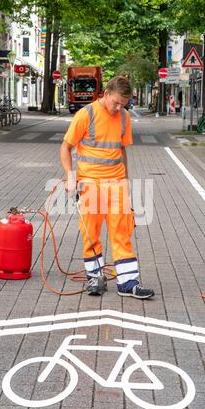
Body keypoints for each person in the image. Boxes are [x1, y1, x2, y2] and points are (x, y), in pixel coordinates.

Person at [60, 75, 155, 299]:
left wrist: (126, 181)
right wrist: (70, 176)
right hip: (91, 183)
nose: (118, 107)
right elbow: (65, 148)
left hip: (116, 184)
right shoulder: (87, 114)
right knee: (90, 233)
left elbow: (122, 151)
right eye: (115, 102)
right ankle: (95, 278)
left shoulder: (124, 117)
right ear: (105, 94)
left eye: (123, 104)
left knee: (122, 233)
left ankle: (128, 283)